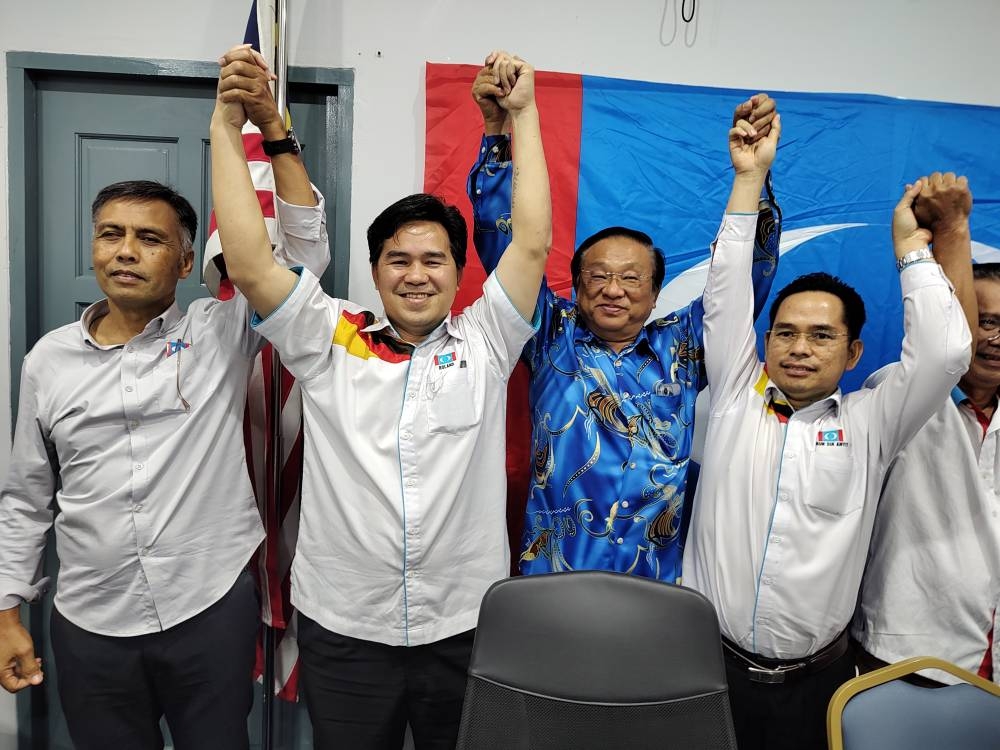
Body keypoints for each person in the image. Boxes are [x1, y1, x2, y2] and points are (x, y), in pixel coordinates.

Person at [210, 50, 551, 750]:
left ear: (459, 272)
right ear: (374, 270)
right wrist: (225, 123)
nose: (416, 275)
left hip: (463, 628)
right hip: (345, 631)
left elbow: (531, 245)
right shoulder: (329, 336)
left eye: (434, 260)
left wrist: (523, 116)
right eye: (398, 259)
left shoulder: (487, 342)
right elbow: (248, 263)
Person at [0, 44, 328, 750]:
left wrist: (270, 128)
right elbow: (25, 498)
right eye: (110, 235)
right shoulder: (47, 362)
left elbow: (302, 260)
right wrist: (7, 611)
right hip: (90, 620)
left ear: (184, 262)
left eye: (148, 239)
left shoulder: (222, 330)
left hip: (208, 608)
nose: (125, 250)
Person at [683, 143, 973, 747]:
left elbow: (946, 353)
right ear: (765, 343)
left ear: (853, 352)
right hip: (707, 673)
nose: (799, 348)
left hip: (818, 685)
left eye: (821, 336)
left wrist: (911, 248)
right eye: (784, 333)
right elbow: (726, 289)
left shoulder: (875, 421)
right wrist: (748, 178)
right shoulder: (736, 396)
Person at [468, 56, 781, 580]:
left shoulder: (685, 347)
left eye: (632, 278)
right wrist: (498, 132)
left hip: (653, 583)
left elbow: (741, 281)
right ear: (575, 286)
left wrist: (754, 177)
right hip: (553, 578)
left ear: (656, 294)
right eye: (598, 276)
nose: (613, 289)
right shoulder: (550, 334)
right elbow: (508, 244)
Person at [853, 172, 998, 687]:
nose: (995, 338)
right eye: (986, 321)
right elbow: (946, 349)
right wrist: (952, 231)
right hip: (908, 658)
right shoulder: (903, 399)